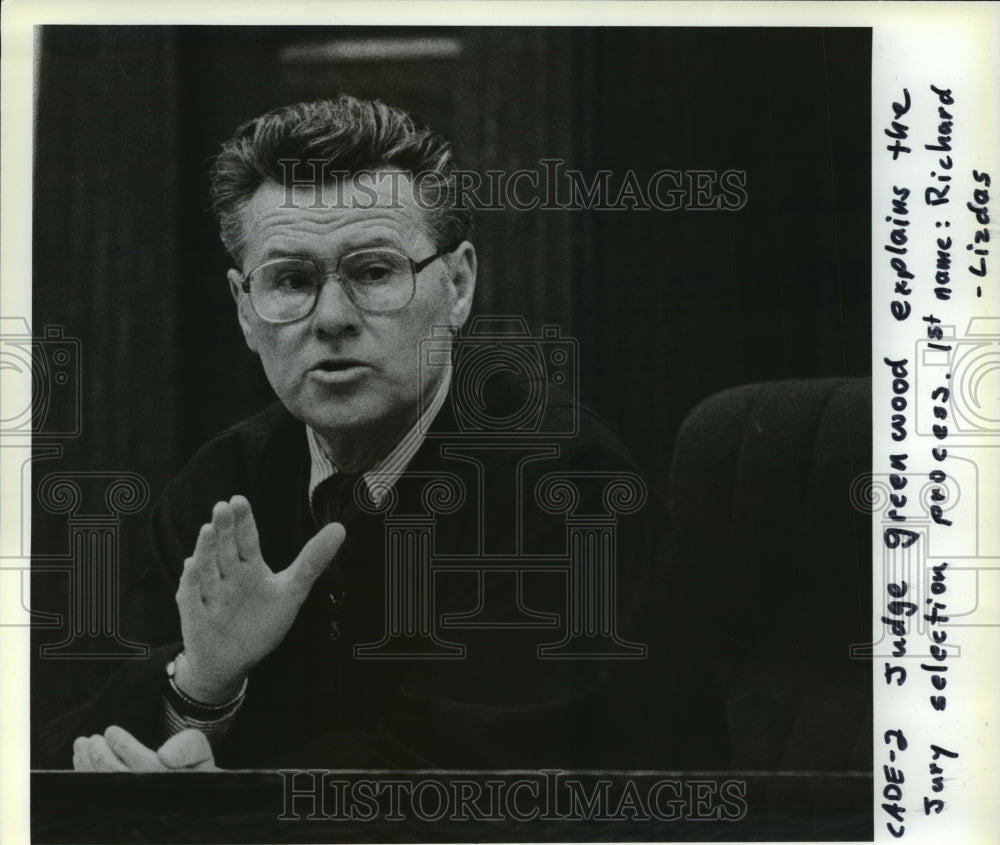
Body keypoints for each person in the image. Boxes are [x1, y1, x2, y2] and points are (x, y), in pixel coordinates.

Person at [40, 95, 725, 772]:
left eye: (373, 272)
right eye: (289, 279)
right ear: (244, 311)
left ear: (457, 285)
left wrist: (219, 813)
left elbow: (459, 776)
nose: (332, 316)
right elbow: (74, 751)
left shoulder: (572, 492)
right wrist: (202, 688)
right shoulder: (221, 490)